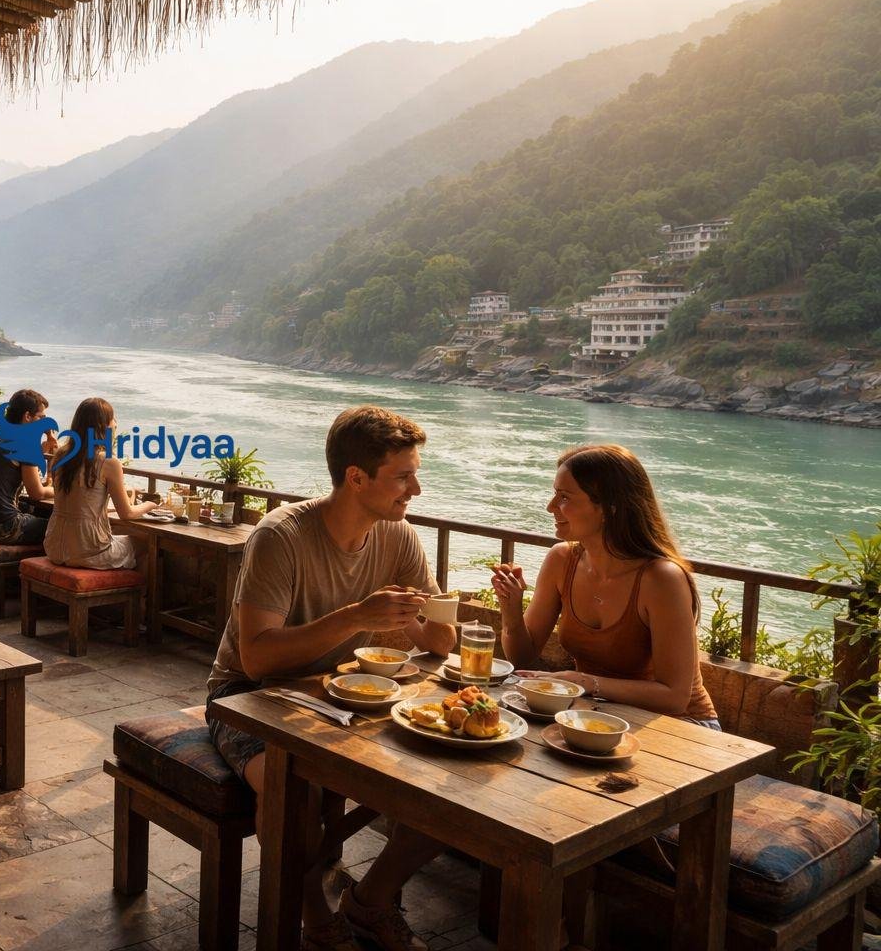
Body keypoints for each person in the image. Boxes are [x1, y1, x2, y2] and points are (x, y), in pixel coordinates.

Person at [206, 405, 458, 951]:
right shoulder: (282, 537)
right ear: (356, 477)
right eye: (403, 476)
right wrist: (357, 616)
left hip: (343, 695)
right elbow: (255, 660)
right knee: (288, 783)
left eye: (415, 474)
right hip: (247, 696)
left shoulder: (398, 536)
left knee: (452, 780)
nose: (415, 489)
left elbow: (442, 644)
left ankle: (372, 899)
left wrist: (419, 618)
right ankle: (316, 917)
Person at [491, 443, 717, 724]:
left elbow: (675, 696)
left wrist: (584, 682)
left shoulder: (661, 579)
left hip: (681, 725)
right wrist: (511, 608)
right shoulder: (562, 560)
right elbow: (522, 658)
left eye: (564, 497)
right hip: (597, 713)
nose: (550, 507)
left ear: (609, 509)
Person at [42, 397, 159, 569]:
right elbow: (126, 514)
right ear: (102, 426)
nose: (116, 423)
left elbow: (84, 503)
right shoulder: (108, 462)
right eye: (113, 419)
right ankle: (139, 595)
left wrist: (125, 498)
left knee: (121, 538)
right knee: (146, 542)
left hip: (54, 546)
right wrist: (151, 504)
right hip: (87, 550)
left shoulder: (61, 455)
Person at [0, 388, 55, 545]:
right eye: (41, 417)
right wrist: (61, 490)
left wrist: (45, 442)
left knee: (34, 511)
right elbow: (37, 493)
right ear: (27, 416)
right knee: (60, 528)